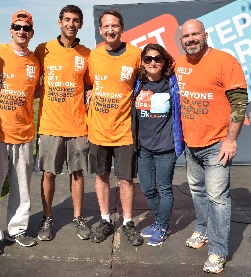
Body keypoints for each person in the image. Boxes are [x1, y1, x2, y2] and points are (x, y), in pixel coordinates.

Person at [176, 19, 248, 274]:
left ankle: (218, 251)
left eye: (195, 34)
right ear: (181, 40)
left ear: (205, 35)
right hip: (190, 142)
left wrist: (230, 140)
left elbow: (239, 102)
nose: (191, 39)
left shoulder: (224, 61)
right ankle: (203, 230)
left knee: (217, 198)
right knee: (197, 190)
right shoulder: (179, 63)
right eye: (186, 36)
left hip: (217, 143)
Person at [0, 10, 40, 254]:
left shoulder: (34, 61)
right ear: (10, 30)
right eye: (17, 27)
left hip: (24, 134)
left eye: (26, 28)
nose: (21, 31)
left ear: (31, 33)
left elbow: (34, 91)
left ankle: (18, 230)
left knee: (22, 188)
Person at [87, 9, 144, 246]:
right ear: (100, 30)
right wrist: (89, 92)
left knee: (126, 179)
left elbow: (149, 78)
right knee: (101, 176)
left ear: (122, 28)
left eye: (115, 26)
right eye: (106, 27)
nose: (110, 30)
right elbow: (88, 84)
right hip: (98, 130)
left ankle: (128, 222)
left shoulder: (136, 55)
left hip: (124, 130)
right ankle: (105, 220)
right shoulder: (93, 56)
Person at [34, 5, 91, 241]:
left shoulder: (87, 54)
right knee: (48, 174)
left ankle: (78, 217)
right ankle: (47, 218)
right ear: (59, 22)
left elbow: (90, 86)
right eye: (67, 19)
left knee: (76, 174)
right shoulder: (42, 49)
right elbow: (31, 79)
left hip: (78, 125)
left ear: (80, 25)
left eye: (75, 20)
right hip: (49, 125)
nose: (71, 24)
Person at [132, 44, 184, 246]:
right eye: (148, 59)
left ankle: (162, 227)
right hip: (144, 148)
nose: (152, 62)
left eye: (157, 58)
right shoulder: (138, 83)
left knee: (164, 189)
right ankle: (161, 221)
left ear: (164, 61)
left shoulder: (172, 83)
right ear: (143, 62)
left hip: (166, 148)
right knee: (147, 189)